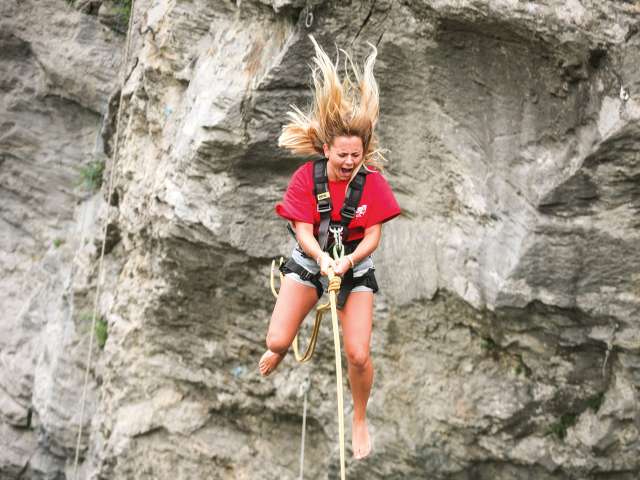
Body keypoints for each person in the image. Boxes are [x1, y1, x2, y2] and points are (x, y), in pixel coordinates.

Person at [258, 35, 400, 460]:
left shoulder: (372, 183)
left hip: (354, 269)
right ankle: (278, 350)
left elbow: (373, 236)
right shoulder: (307, 178)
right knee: (277, 341)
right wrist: (322, 258)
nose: (350, 162)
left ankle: (359, 418)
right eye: (343, 155)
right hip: (310, 261)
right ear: (326, 150)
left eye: (356, 155)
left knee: (357, 353)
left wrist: (348, 261)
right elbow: (303, 230)